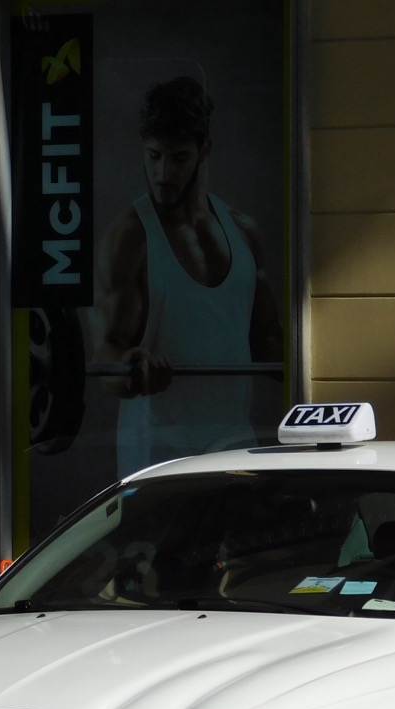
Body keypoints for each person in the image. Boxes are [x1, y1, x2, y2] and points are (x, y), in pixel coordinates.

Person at [93, 75, 282, 475]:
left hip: (233, 446)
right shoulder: (129, 238)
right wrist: (131, 368)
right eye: (153, 156)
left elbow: (270, 342)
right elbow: (106, 353)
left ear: (204, 150)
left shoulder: (242, 232)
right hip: (157, 457)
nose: (162, 173)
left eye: (178, 158)